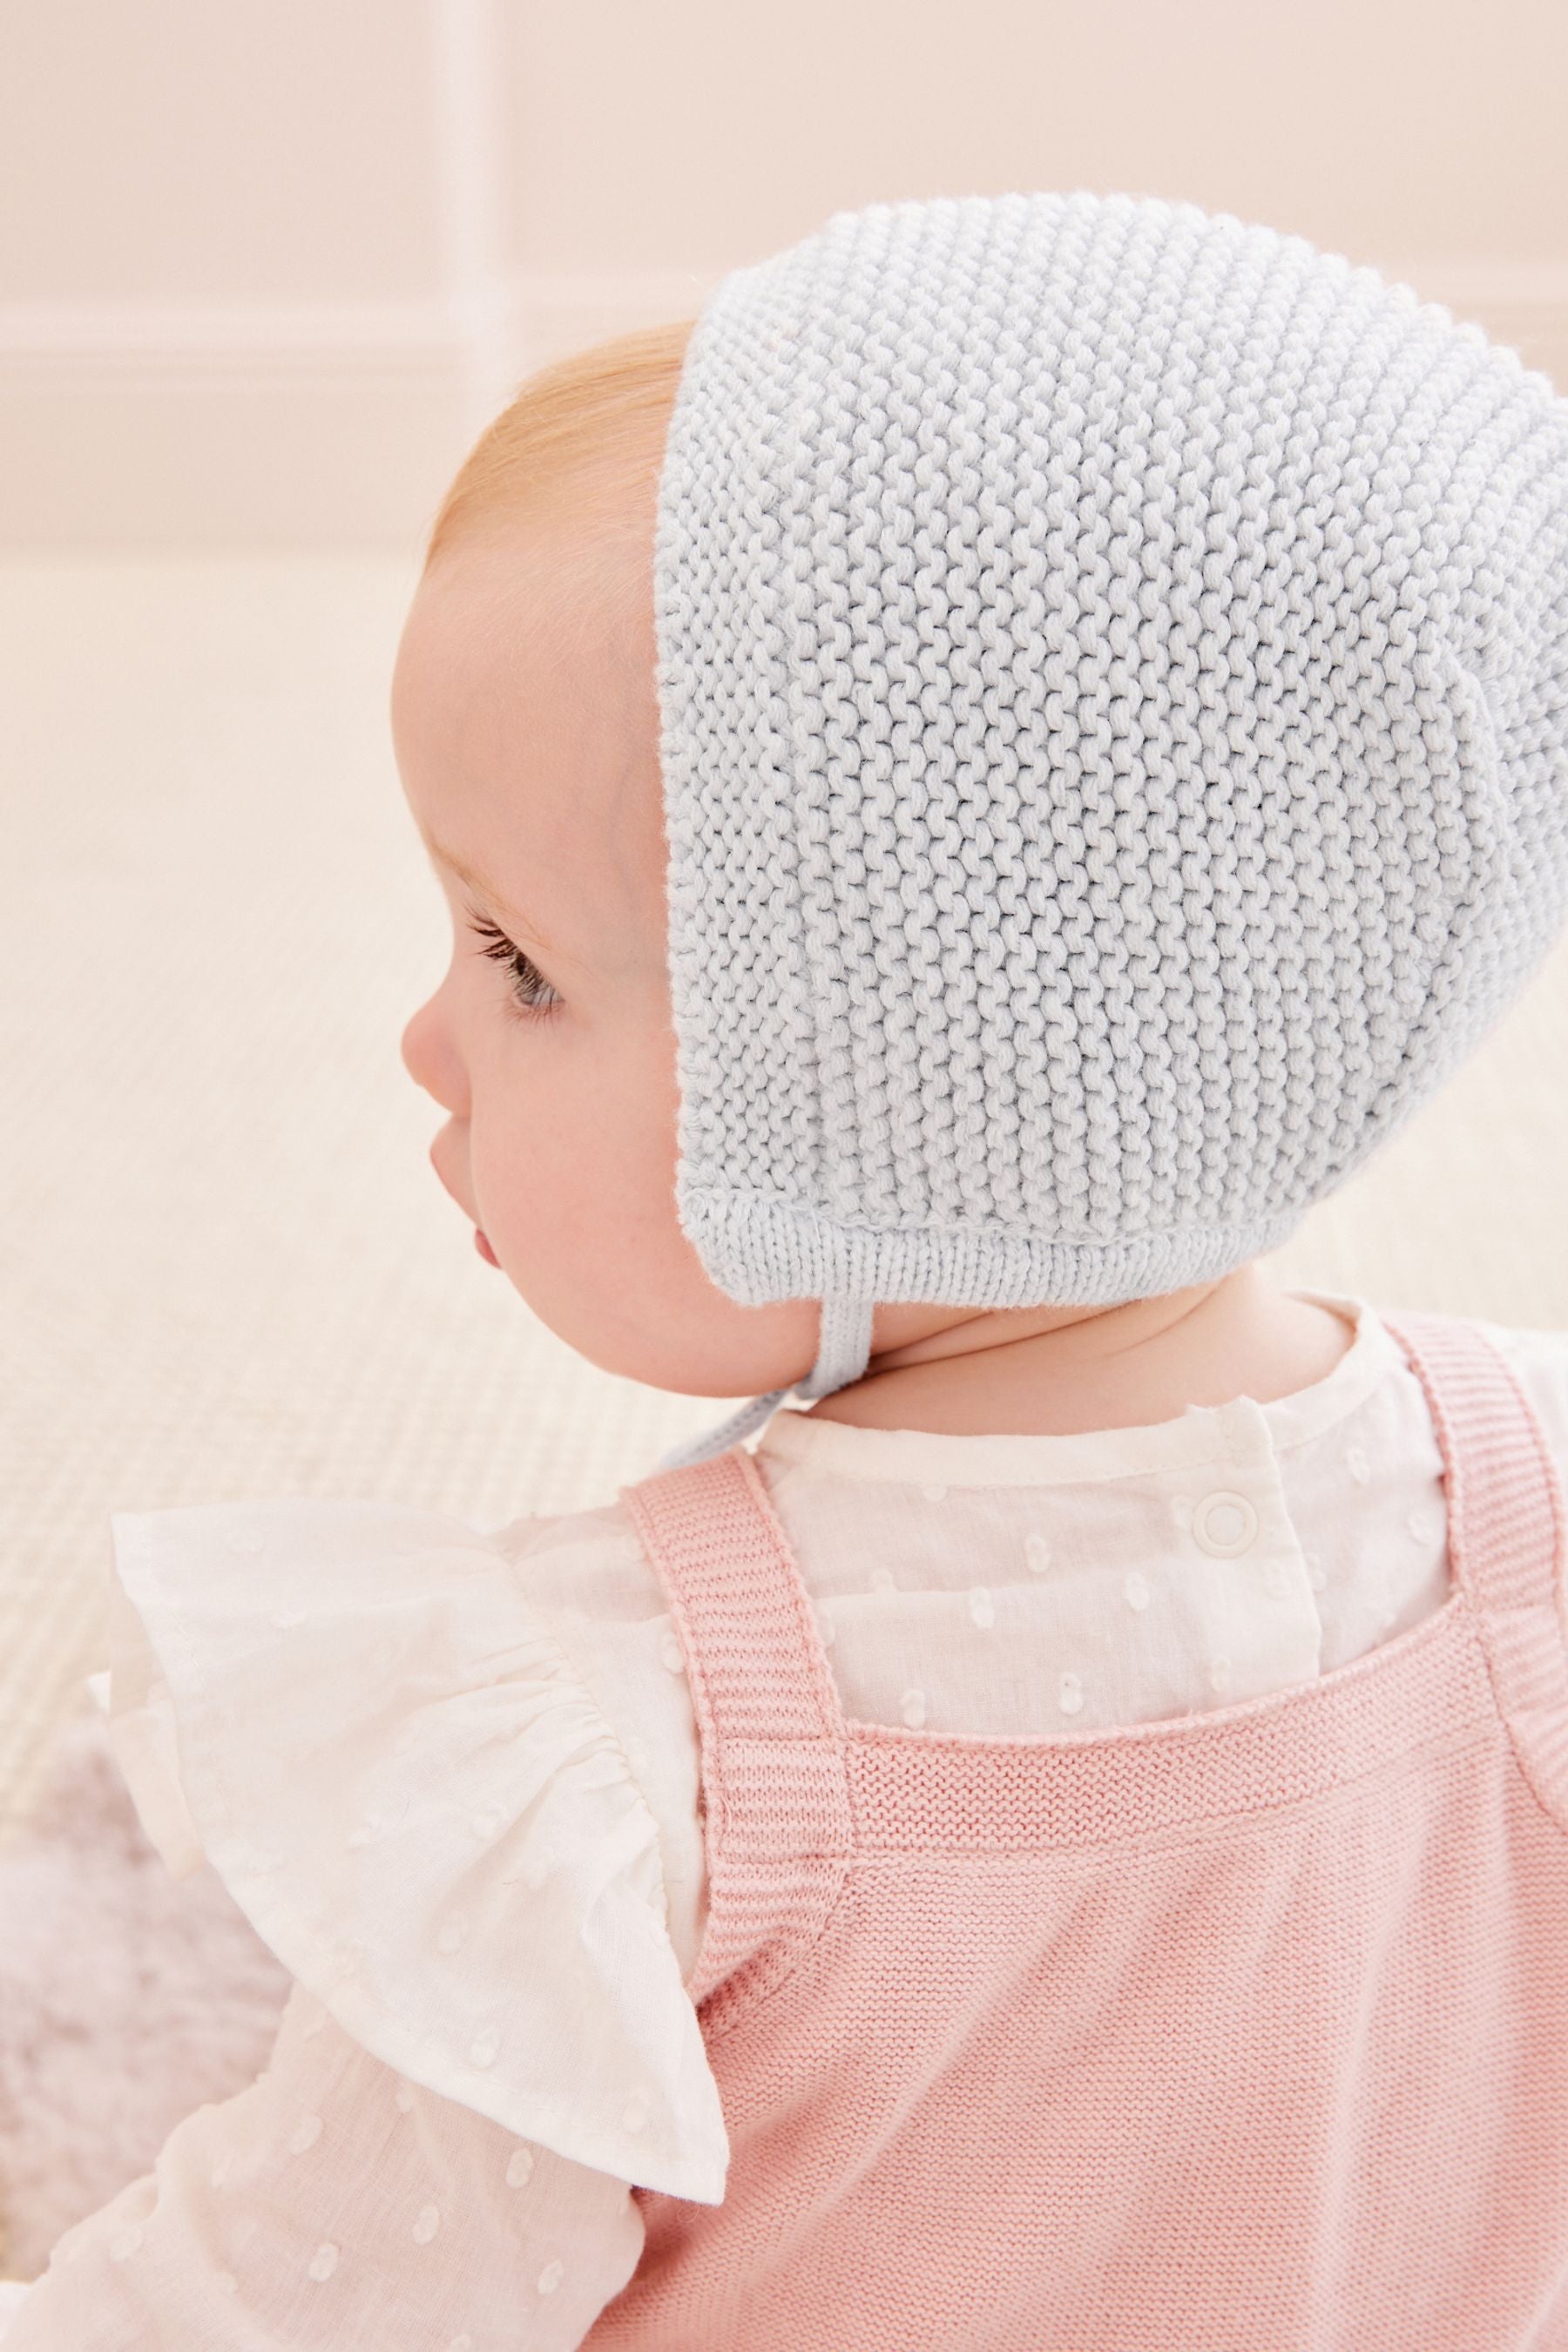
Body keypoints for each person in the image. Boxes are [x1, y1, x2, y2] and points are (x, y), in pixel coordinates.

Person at [5, 188, 1568, 2349]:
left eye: (521, 960)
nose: (424, 1036)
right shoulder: (1536, 1508)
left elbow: (249, 2313)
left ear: (913, 1083)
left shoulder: (617, 1744)